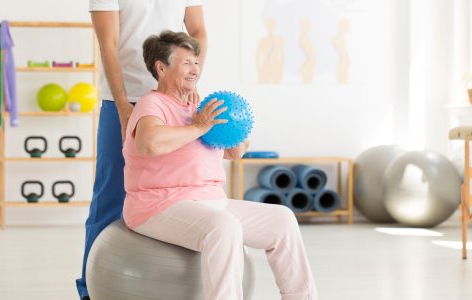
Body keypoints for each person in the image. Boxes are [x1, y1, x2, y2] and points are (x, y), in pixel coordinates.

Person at [122, 30, 317, 300]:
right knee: (224, 227)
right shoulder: (151, 104)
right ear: (161, 68)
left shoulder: (199, 110)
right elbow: (150, 143)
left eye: (197, 63)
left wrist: (237, 133)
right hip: (159, 205)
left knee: (282, 220)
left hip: (211, 202)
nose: (195, 70)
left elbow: (234, 152)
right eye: (186, 63)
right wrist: (200, 126)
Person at [77, 1, 207, 299]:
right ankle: (89, 291)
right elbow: (107, 44)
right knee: (110, 195)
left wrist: (189, 77)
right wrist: (123, 106)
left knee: (180, 190)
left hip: (174, 98)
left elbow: (198, 30)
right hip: (124, 100)